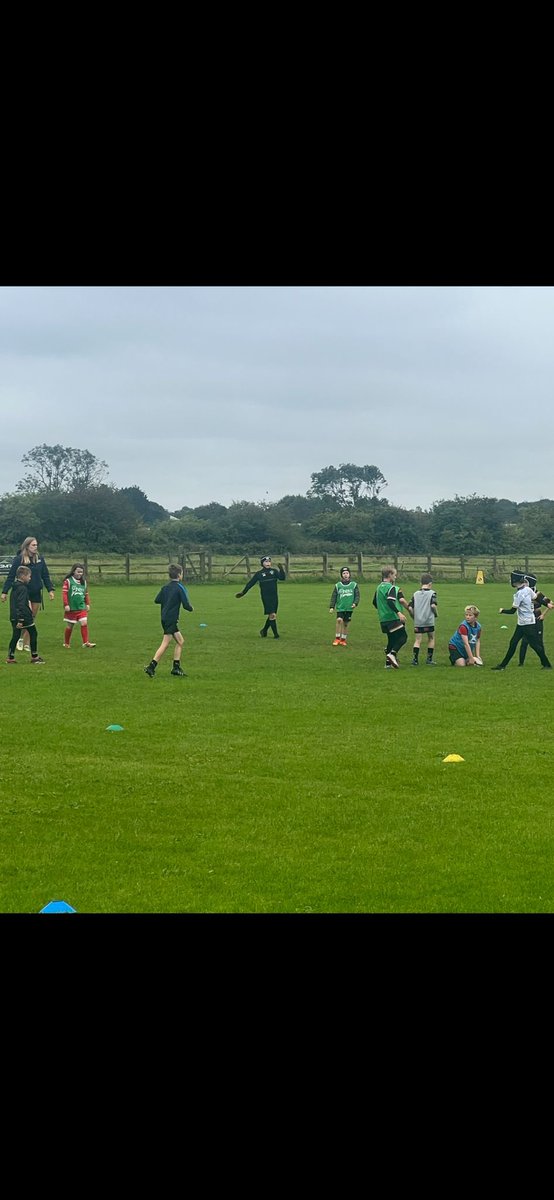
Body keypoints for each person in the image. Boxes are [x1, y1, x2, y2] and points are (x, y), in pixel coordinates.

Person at [1, 536, 54, 652]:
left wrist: (50, 589)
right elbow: (11, 576)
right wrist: (4, 592)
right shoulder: (19, 559)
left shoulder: (40, 559)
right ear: (27, 546)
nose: (36, 547)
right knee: (25, 616)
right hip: (23, 592)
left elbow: (45, 575)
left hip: (36, 592)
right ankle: (19, 639)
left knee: (32, 618)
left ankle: (26, 643)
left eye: (36, 545)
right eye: (33, 545)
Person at [492, 572, 552, 670]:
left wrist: (502, 611)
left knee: (534, 645)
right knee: (513, 643)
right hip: (523, 623)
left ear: (515, 581)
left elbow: (512, 611)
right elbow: (537, 598)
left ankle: (547, 664)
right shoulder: (528, 589)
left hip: (527, 624)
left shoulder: (518, 595)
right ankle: (502, 665)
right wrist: (547, 604)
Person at [144, 564, 193, 677]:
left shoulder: (165, 587)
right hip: (171, 619)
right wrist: (191, 609)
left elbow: (157, 600)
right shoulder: (180, 587)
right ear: (179, 575)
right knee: (165, 643)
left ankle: (176, 667)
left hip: (164, 618)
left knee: (180, 641)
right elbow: (186, 605)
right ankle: (151, 666)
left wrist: (168, 600)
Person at [235, 555, 286, 639]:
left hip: (274, 597)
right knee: (272, 615)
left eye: (269, 561)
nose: (268, 563)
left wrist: (281, 570)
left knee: (272, 615)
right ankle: (276, 635)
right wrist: (243, 592)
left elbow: (282, 578)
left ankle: (264, 630)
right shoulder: (259, 574)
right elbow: (250, 583)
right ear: (262, 563)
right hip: (266, 597)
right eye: (266, 561)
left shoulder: (274, 571)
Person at [372, 565, 411, 669]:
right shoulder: (391, 588)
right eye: (394, 575)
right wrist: (399, 613)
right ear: (390, 575)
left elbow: (374, 602)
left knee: (391, 640)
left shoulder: (378, 587)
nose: (395, 577)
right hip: (392, 618)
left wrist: (382, 610)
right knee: (403, 637)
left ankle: (388, 664)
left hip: (383, 619)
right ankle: (392, 654)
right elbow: (390, 601)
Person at [6, 565, 45, 664]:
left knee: (16, 635)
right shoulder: (23, 588)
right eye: (29, 576)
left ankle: (10, 657)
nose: (30, 578)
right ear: (23, 576)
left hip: (14, 616)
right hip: (23, 617)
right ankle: (34, 657)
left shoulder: (15, 587)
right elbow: (21, 604)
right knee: (33, 633)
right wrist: (21, 619)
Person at [62, 564, 96, 648]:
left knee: (84, 623)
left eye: (81, 572)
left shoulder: (84, 582)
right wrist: (66, 605)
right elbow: (64, 594)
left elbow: (86, 594)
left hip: (81, 607)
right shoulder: (68, 581)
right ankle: (66, 643)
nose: (80, 574)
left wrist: (87, 604)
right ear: (73, 571)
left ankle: (86, 642)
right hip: (72, 608)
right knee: (70, 626)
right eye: (78, 572)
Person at [408, 573, 438, 665]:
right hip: (429, 620)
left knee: (418, 640)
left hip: (418, 621)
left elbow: (410, 608)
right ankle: (429, 659)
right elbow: (433, 606)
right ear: (430, 584)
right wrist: (436, 614)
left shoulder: (415, 594)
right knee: (431, 638)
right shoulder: (432, 593)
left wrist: (414, 616)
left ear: (420, 583)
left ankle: (415, 660)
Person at [329, 566, 360, 646]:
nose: (345, 575)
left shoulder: (354, 585)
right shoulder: (338, 585)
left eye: (347, 573)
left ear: (349, 574)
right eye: (343, 573)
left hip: (349, 608)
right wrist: (332, 607)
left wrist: (355, 603)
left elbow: (357, 595)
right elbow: (334, 596)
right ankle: (337, 638)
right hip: (340, 607)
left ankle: (343, 639)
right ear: (341, 575)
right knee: (339, 620)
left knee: (346, 624)